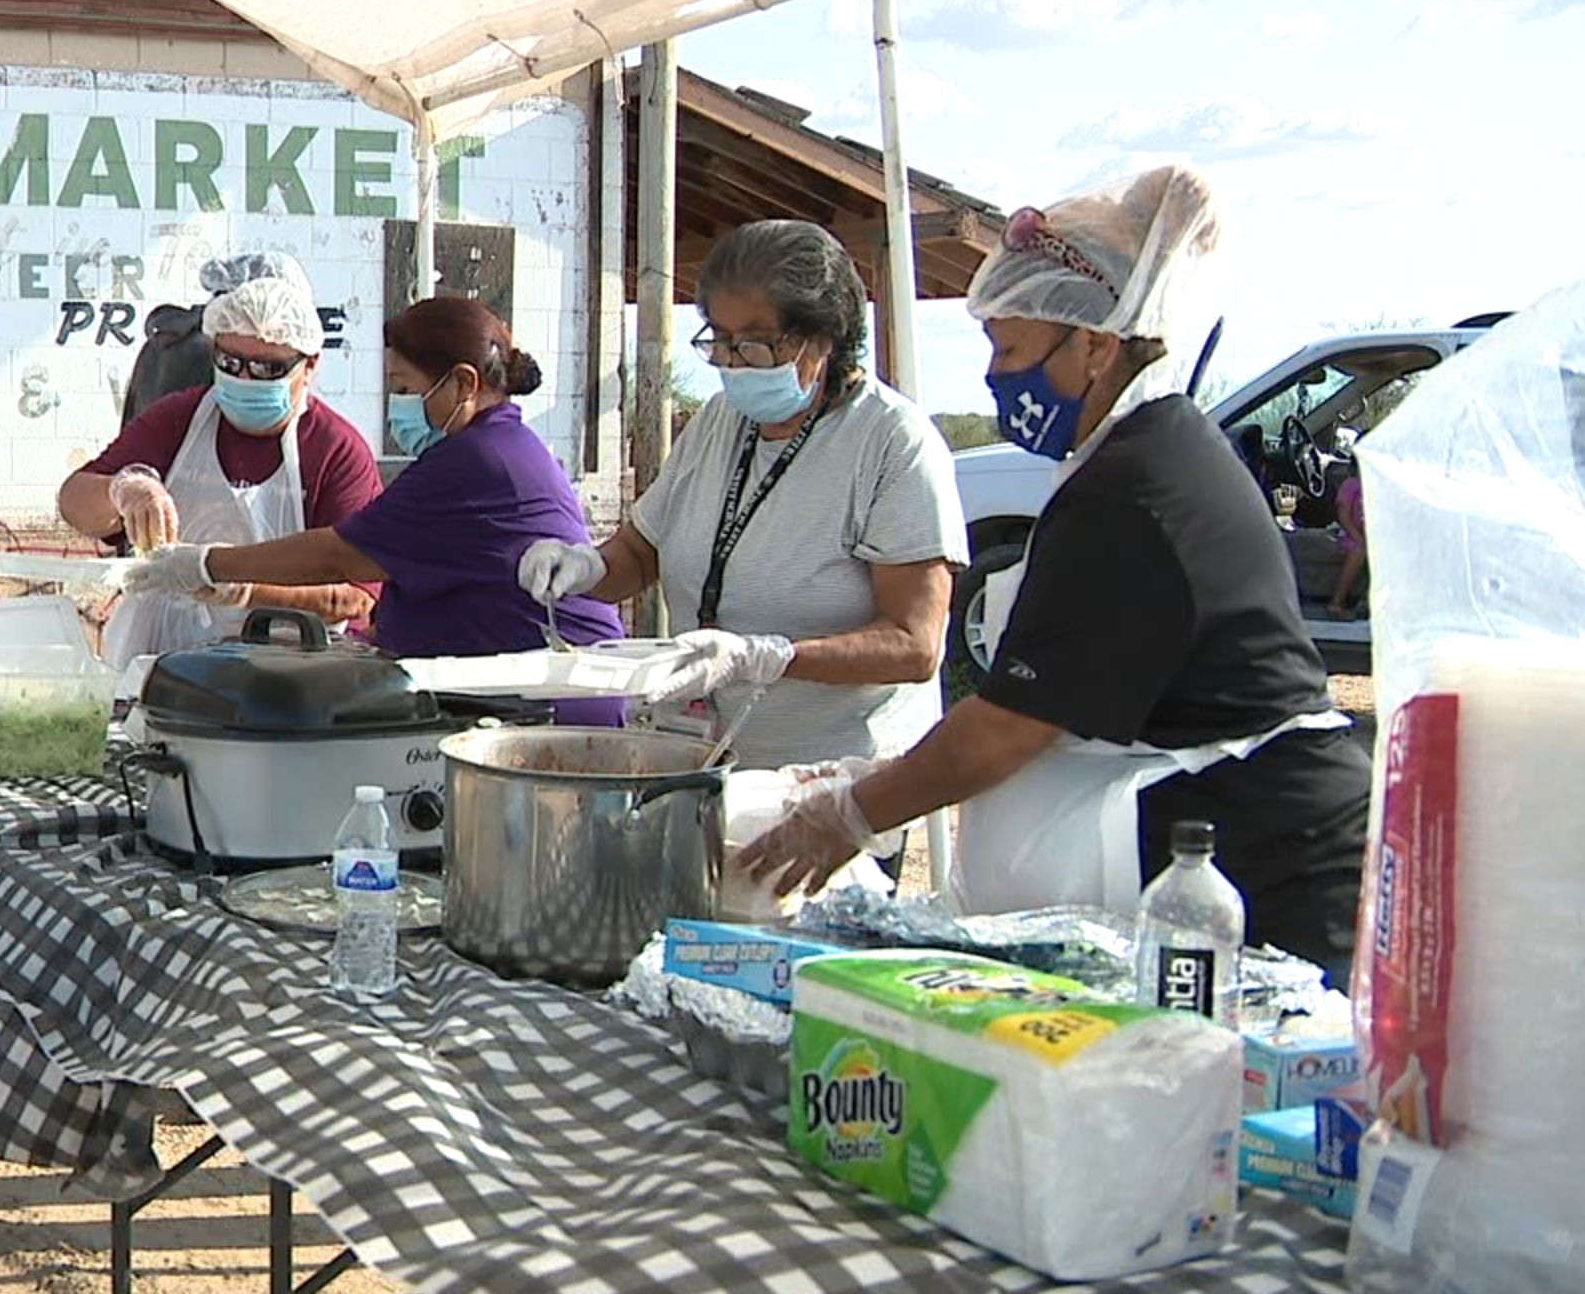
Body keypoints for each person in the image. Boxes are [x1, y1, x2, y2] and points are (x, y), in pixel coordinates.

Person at [736, 166, 1369, 983]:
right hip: (1215, 856)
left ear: (1096, 346)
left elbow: (1006, 728)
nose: (997, 377)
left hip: (1259, 879)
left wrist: (850, 815)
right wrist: (871, 778)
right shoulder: (1133, 456)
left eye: (1011, 349)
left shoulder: (1140, 489)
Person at [517, 220, 966, 770]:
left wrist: (768, 658)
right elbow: (640, 553)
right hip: (704, 761)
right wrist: (583, 567)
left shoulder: (892, 441)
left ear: (822, 339)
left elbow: (914, 644)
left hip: (836, 779)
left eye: (754, 344)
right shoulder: (721, 420)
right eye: (720, 342)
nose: (732, 363)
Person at [123, 297, 626, 721]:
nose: (396, 406)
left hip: (550, 702)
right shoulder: (500, 447)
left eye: (405, 389)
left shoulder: (477, 461)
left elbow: (339, 556)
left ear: (464, 384)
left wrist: (207, 564)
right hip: (520, 690)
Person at [59, 264, 383, 660]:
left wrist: (238, 588)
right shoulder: (178, 418)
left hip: (285, 665)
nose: (244, 379)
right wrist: (123, 490)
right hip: (160, 655)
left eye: (267, 369)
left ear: (310, 366)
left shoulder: (336, 451)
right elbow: (73, 501)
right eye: (229, 363)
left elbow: (354, 597)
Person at [1327, 472, 1367, 617]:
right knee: (1358, 551)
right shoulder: (1351, 485)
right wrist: (1358, 537)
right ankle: (1337, 601)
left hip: (1373, 535)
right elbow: (1344, 517)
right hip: (1350, 534)